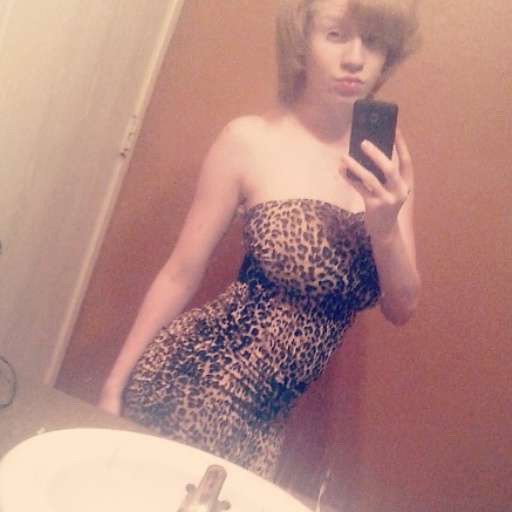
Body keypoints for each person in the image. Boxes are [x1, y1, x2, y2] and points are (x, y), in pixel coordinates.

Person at [99, 0, 422, 480]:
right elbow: (180, 273)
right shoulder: (249, 141)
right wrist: (114, 386)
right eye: (336, 34)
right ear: (302, 41)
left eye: (373, 41)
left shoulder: (386, 166)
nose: (356, 58)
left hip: (265, 423)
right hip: (197, 383)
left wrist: (385, 223)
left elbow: (402, 306)